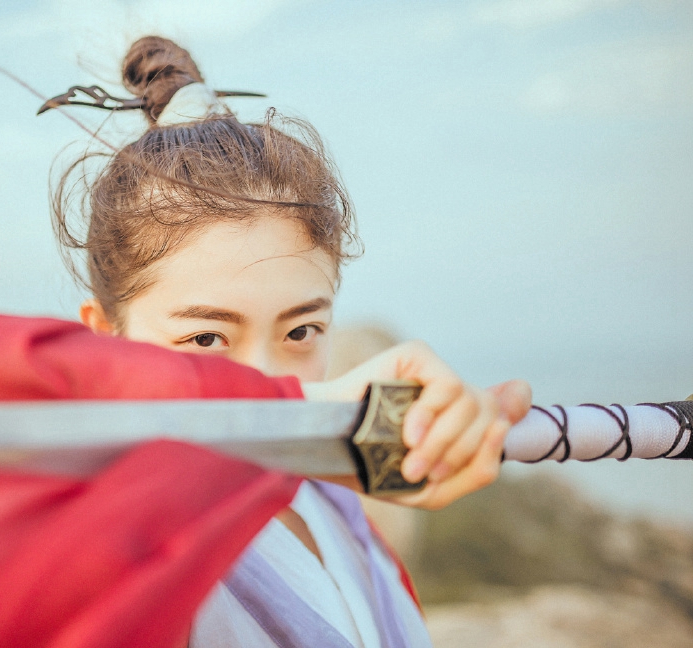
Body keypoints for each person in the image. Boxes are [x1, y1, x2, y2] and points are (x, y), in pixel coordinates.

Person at [46, 36, 531, 647]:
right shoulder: (102, 549)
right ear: (104, 337)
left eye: (301, 330)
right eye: (206, 336)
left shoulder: (334, 504)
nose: (270, 378)